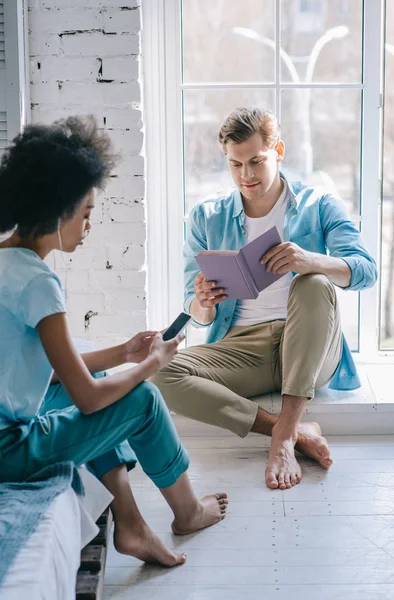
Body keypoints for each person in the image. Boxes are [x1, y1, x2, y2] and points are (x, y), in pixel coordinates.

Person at [0, 116, 228, 568]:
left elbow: (56, 367)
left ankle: (131, 523)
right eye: (86, 213)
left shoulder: (6, 262)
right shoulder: (39, 283)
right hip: (11, 452)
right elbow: (85, 399)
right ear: (59, 211)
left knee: (106, 374)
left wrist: (124, 353)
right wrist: (150, 364)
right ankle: (187, 511)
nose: (89, 226)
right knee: (141, 398)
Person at [151, 106, 377, 492]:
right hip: (242, 347)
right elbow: (199, 314)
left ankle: (283, 439)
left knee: (314, 283)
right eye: (235, 164)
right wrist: (202, 302)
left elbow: (366, 270)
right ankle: (289, 428)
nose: (247, 175)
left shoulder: (318, 204)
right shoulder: (207, 216)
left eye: (256, 161)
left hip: (309, 347)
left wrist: (311, 261)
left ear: (279, 151)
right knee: (157, 372)